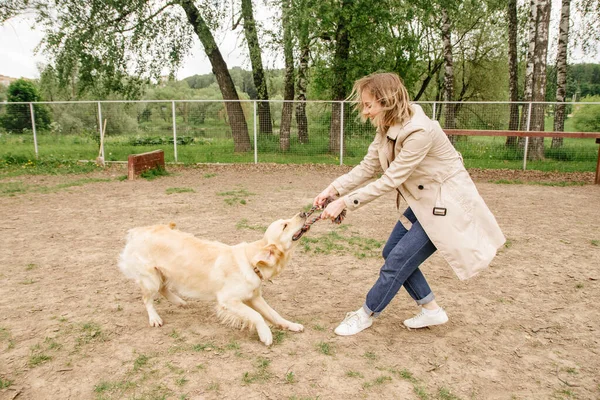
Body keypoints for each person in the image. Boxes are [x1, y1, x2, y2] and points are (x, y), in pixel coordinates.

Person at [314, 72, 505, 336]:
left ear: (387, 100)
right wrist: (333, 190)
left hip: (443, 207)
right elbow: (368, 166)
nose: (365, 112)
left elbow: (391, 179)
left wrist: (346, 202)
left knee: (398, 259)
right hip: (423, 202)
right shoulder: (387, 126)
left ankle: (366, 314)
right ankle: (431, 310)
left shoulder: (419, 131)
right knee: (391, 251)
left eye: (369, 105)